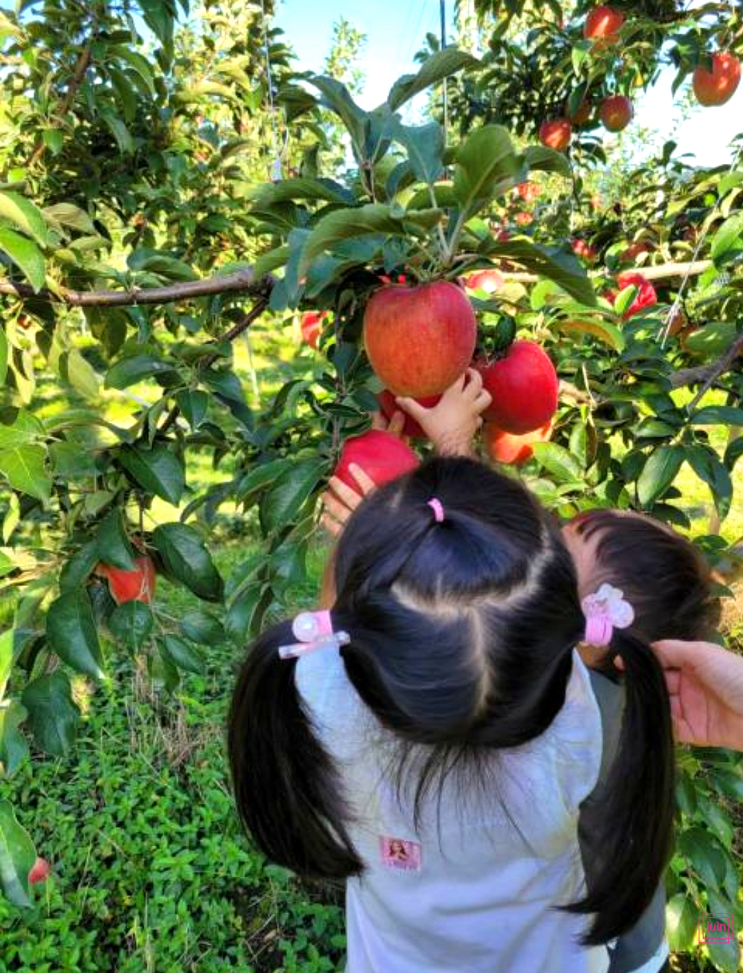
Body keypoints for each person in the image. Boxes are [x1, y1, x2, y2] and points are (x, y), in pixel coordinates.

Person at [229, 456, 675, 973]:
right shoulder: (586, 721)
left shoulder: (322, 703)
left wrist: (375, 524)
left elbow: (350, 626)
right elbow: (478, 619)